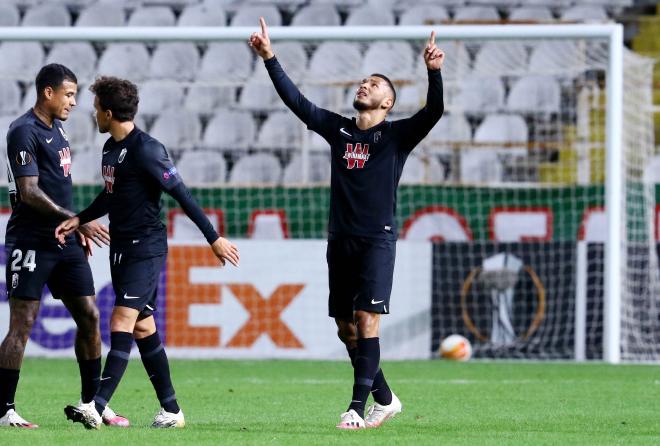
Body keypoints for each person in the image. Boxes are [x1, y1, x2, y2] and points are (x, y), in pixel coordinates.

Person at [249, 18, 444, 429]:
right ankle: (386, 398)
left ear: (387, 102)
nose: (364, 86)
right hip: (340, 240)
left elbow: (435, 111)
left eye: (373, 84)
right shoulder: (338, 129)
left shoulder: (397, 136)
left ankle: (356, 408)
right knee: (345, 328)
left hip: (377, 239)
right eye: (363, 82)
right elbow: (298, 103)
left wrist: (433, 71)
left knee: (366, 320)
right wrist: (271, 58)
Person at [58, 76, 239, 429]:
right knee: (142, 328)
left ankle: (95, 406)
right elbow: (110, 196)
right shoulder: (111, 148)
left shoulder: (148, 149)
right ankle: (171, 410)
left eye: (96, 109)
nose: (93, 114)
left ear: (109, 113)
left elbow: (182, 194)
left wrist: (213, 237)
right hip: (121, 248)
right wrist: (79, 219)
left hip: (146, 248)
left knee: (120, 321)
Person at [0, 64, 128, 428]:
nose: (74, 102)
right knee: (22, 324)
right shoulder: (23, 131)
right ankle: (4, 410)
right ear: (48, 93)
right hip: (32, 241)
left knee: (89, 316)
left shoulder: (57, 130)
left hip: (64, 239)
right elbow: (28, 192)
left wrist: (73, 227)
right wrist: (78, 219)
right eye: (69, 94)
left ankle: (93, 404)